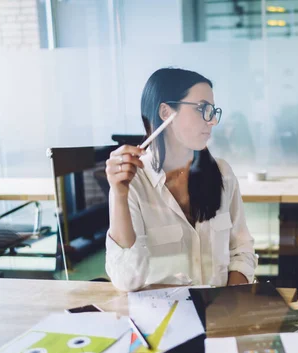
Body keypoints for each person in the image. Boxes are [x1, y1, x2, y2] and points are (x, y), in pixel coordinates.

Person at [104, 68, 256, 291]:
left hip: (219, 315)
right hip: (161, 320)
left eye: (213, 111)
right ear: (166, 112)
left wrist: (229, 301)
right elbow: (127, 280)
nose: (212, 120)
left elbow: (241, 251)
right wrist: (119, 195)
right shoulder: (133, 182)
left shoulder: (222, 173)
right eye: (203, 109)